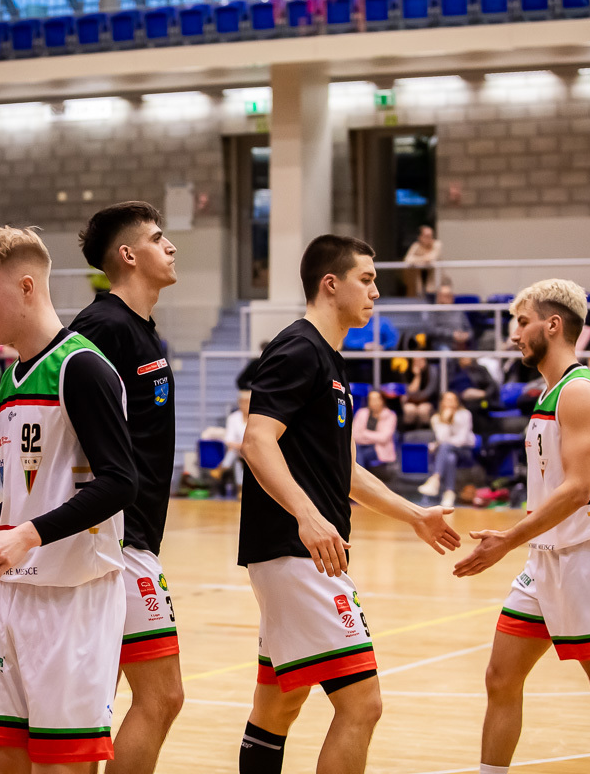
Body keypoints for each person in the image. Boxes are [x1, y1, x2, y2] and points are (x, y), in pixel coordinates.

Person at [0, 226, 138, 774]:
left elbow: (120, 481)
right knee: (7, 757)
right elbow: (23, 501)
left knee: (61, 765)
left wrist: (26, 537)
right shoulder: (11, 378)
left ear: (28, 288)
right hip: (13, 594)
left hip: (73, 597)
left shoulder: (82, 368)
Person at [235, 234, 459, 774]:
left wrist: (415, 515)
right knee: (362, 703)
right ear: (330, 284)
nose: (376, 292)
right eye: (367, 279)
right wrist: (308, 516)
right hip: (298, 553)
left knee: (279, 704)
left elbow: (346, 471)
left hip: (301, 552)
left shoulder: (330, 360)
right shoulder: (298, 348)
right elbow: (257, 441)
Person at [455, 278, 590, 774]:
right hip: (544, 562)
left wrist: (506, 540)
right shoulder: (551, 392)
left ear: (553, 325)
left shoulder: (580, 391)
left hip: (587, 558)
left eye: (523, 322)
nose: (514, 334)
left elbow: (577, 489)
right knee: (501, 677)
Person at [66, 201, 183, 773]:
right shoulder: (101, 328)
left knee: (94, 704)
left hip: (132, 538)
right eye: (159, 238)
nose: (171, 246)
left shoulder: (141, 329)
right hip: (114, 538)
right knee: (162, 696)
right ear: (129, 255)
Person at [418, 391, 476, 508]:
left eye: (453, 399)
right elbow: (442, 438)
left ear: (457, 402)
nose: (450, 402)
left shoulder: (465, 414)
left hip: (465, 451)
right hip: (448, 453)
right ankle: (449, 493)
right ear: (442, 402)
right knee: (450, 458)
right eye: (447, 399)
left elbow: (461, 440)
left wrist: (444, 443)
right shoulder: (436, 418)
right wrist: (445, 420)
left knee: (445, 447)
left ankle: (435, 479)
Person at [353, 389, 397, 479]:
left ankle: (360, 478)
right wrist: (372, 437)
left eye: (376, 399)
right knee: (356, 449)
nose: (373, 402)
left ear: (382, 400)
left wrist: (364, 433)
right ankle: (360, 479)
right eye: (371, 399)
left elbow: (383, 438)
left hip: (378, 448)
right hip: (361, 445)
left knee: (359, 453)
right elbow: (354, 435)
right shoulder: (362, 413)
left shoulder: (390, 415)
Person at [215, 390, 251, 492]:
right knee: (236, 457)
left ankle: (223, 467)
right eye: (243, 402)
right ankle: (240, 487)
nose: (246, 405)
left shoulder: (256, 418)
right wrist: (240, 446)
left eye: (248, 402)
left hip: (252, 450)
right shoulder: (233, 418)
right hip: (238, 449)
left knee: (235, 454)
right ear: (239, 403)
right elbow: (228, 439)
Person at [426, 283, 473, 350]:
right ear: (439, 297)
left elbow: (469, 329)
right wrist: (452, 334)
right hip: (442, 343)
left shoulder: (458, 311)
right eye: (446, 295)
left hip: (460, 344)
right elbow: (432, 330)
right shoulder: (434, 312)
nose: (449, 297)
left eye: (450, 295)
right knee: (445, 351)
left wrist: (466, 335)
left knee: (471, 354)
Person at [402, 224, 441, 297]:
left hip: (434, 282)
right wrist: (424, 259)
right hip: (418, 282)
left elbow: (432, 257)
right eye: (426, 236)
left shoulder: (437, 244)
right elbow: (408, 259)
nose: (429, 238)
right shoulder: (416, 245)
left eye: (431, 236)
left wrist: (417, 260)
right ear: (420, 237)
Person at [401, 356, 439, 428]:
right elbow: (410, 391)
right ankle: (408, 433)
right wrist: (417, 376)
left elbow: (429, 392)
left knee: (423, 409)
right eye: (415, 361)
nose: (418, 363)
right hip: (410, 402)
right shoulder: (406, 370)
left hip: (429, 401)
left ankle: (425, 433)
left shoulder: (432, 371)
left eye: (421, 360)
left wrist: (414, 396)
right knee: (409, 409)